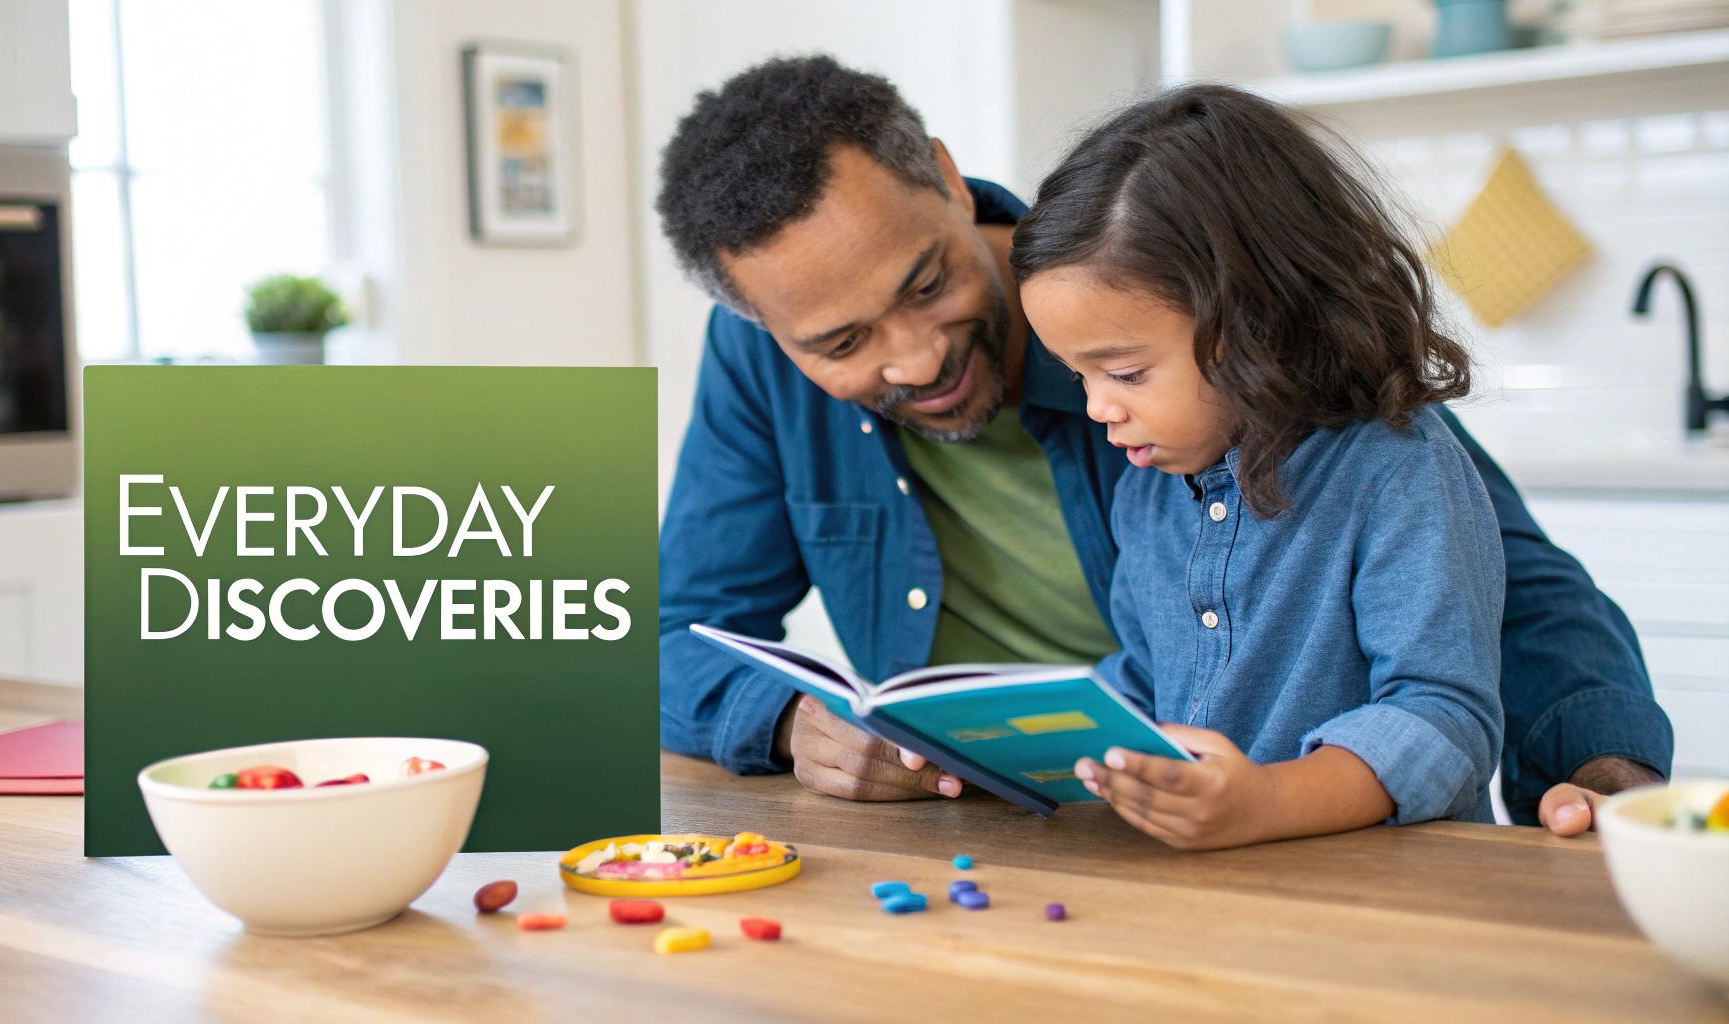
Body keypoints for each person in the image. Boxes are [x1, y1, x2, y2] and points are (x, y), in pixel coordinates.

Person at [652, 54, 1672, 833]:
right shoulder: (760, 370)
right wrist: (788, 723)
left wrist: (1597, 766)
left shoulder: (1188, 308)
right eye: (838, 342)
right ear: (765, 328)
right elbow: (666, 640)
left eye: (925, 284)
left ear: (948, 184)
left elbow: (1505, 582)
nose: (914, 358)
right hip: (1044, 841)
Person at [1012, 83, 1501, 848]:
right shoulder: (1148, 488)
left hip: (1390, 900)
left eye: (1127, 374)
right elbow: (1146, 682)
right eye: (1080, 377)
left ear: (1257, 325)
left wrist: (1266, 802)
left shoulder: (1392, 467)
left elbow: (1443, 721)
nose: (1098, 407)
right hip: (1212, 898)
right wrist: (1007, 748)